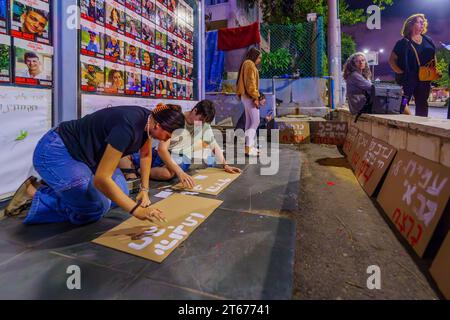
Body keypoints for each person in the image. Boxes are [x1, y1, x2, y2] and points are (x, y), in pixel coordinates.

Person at [4, 104, 185, 225]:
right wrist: (136, 211)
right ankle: (35, 194)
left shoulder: (148, 123)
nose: (166, 141)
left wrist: (144, 191)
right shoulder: (128, 126)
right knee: (94, 209)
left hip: (88, 158)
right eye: (168, 136)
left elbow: (145, 155)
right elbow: (101, 179)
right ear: (159, 126)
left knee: (121, 194)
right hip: (58, 150)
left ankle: (72, 191)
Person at [120, 100, 241, 187]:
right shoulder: (177, 119)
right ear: (194, 110)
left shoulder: (204, 126)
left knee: (168, 174)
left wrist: (225, 165)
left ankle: (140, 172)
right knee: (124, 158)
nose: (201, 124)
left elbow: (214, 146)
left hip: (182, 156)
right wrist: (180, 172)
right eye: (200, 120)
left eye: (205, 122)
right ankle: (136, 173)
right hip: (162, 152)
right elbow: (162, 149)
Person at [389, 14, 438, 117]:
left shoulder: (428, 40)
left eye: (423, 22)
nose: (422, 24)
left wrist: (434, 69)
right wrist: (401, 72)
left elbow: (433, 56)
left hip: (424, 78)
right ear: (411, 24)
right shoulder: (403, 42)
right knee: (403, 102)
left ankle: (422, 126)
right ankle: (403, 122)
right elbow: (391, 60)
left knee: (422, 103)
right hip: (408, 79)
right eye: (419, 22)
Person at [236, 47, 261, 157]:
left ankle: (248, 147)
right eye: (259, 57)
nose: (259, 60)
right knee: (256, 121)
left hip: (245, 96)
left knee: (249, 122)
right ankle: (248, 148)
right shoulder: (250, 64)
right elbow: (250, 84)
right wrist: (256, 97)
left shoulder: (246, 63)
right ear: (254, 56)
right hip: (249, 96)